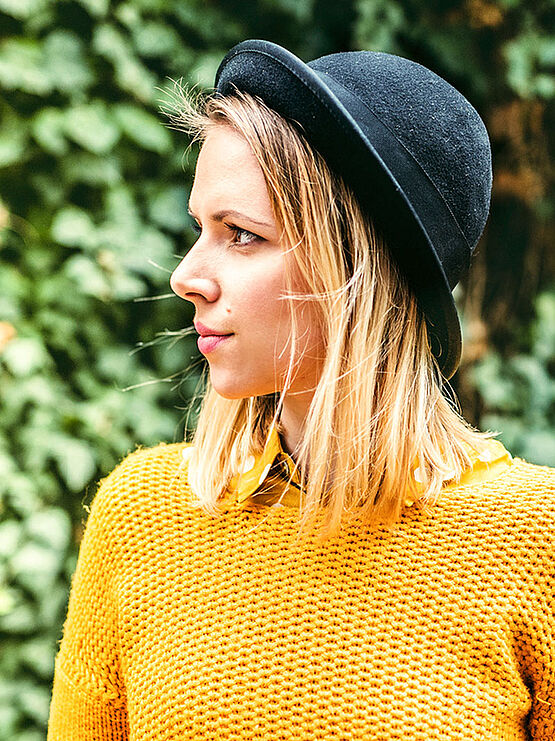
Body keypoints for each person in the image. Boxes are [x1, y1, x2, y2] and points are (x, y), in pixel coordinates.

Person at [47, 40, 554, 740]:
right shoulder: (140, 514)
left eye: (242, 235)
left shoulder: (533, 539)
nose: (187, 275)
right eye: (201, 229)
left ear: (357, 269)